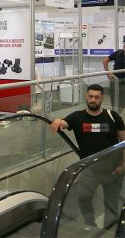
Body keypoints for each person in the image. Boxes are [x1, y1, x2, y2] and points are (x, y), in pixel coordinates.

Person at [49, 84, 125, 229]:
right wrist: (58, 120)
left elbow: (124, 142)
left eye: (97, 97)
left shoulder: (113, 116)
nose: (93, 100)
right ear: (86, 96)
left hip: (113, 169)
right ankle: (90, 226)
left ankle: (109, 231)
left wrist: (124, 165)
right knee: (83, 198)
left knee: (111, 203)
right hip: (90, 170)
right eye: (90, 96)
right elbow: (63, 123)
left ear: (102, 98)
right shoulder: (77, 117)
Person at [103, 35, 125, 107]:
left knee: (122, 99)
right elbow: (105, 61)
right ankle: (114, 110)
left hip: (124, 80)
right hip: (114, 79)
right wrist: (108, 73)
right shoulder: (118, 52)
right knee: (113, 98)